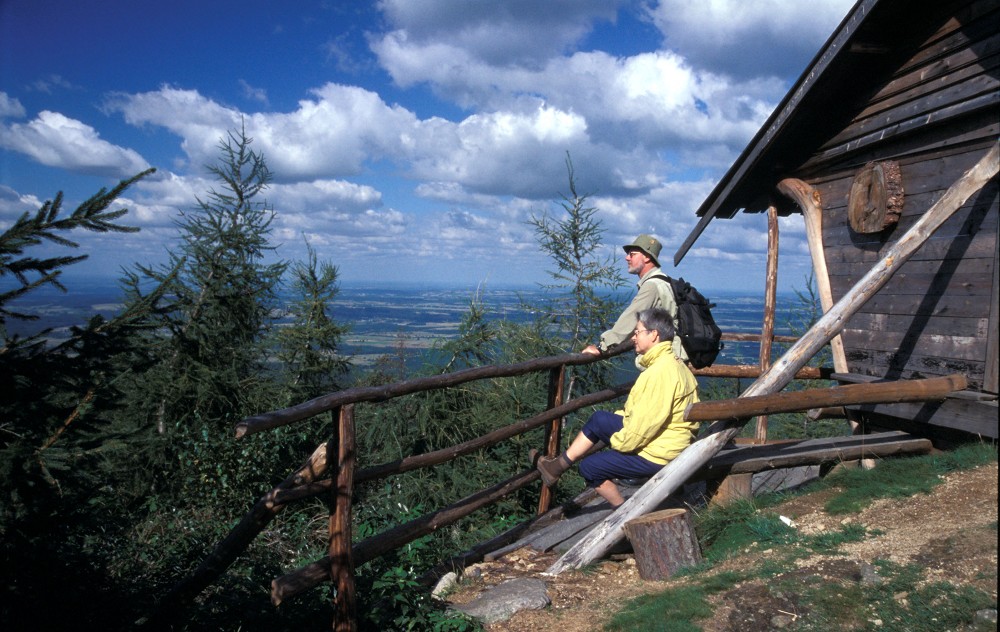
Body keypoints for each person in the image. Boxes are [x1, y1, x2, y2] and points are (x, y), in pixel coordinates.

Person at [535, 307, 700, 507]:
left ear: (654, 335)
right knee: (600, 420)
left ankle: (625, 513)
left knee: (590, 467)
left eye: (638, 332)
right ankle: (556, 467)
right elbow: (643, 416)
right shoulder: (672, 364)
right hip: (669, 443)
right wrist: (617, 428)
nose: (633, 337)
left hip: (660, 454)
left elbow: (643, 428)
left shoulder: (659, 374)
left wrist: (617, 442)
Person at [581, 234, 687, 362]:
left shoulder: (651, 286)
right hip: (673, 354)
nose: (626, 258)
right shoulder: (664, 281)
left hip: (665, 358)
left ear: (647, 257)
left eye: (632, 254)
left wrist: (602, 346)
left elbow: (631, 317)